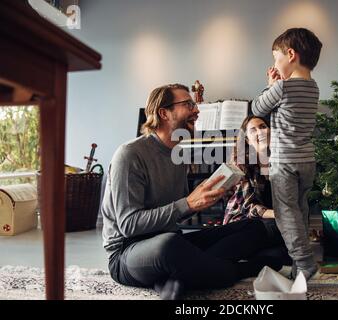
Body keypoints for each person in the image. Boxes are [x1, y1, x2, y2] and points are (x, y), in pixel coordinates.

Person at [101, 84, 281, 300]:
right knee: (170, 246)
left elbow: (178, 212)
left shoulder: (178, 154)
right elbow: (129, 225)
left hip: (171, 239)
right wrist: (188, 203)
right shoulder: (129, 155)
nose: (196, 110)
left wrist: (204, 198)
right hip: (128, 252)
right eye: (188, 104)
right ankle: (242, 269)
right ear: (164, 113)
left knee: (254, 227)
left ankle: (176, 279)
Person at [251, 28, 323, 281]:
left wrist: (271, 84)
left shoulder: (282, 87)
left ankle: (304, 262)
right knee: (300, 210)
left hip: (284, 162)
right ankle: (297, 270)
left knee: (284, 212)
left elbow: (258, 108)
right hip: (307, 161)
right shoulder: (313, 87)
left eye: (276, 58)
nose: (275, 64)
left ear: (290, 54)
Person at [223, 115, 291, 266]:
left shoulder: (279, 161)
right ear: (246, 140)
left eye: (262, 127)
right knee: (280, 231)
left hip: (272, 222)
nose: (260, 132)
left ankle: (249, 259)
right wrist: (280, 215)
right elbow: (248, 208)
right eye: (253, 130)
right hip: (243, 221)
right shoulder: (240, 163)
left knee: (284, 255)